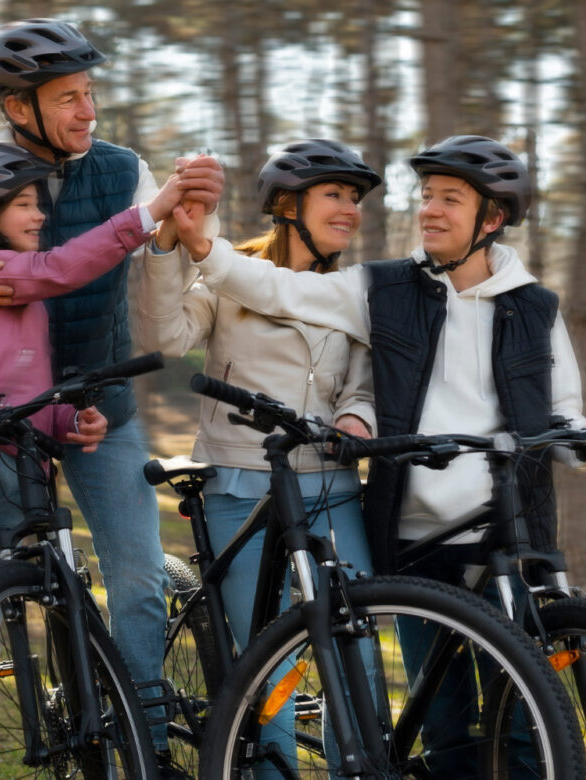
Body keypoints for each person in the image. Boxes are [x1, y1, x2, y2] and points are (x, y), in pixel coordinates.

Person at [170, 135, 586, 774]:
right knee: (444, 724)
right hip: (415, 540)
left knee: (527, 720)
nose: (429, 211)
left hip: (509, 530)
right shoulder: (384, 289)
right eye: (427, 197)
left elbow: (562, 416)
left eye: (450, 200)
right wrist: (203, 247)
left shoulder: (536, 308)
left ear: (492, 218)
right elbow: (279, 290)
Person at [0, 19, 223, 777]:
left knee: (138, 580)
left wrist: (174, 235)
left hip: (96, 414)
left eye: (89, 94)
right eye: (67, 97)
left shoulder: (124, 169)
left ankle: (142, 744)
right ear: (17, 107)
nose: (86, 111)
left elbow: (157, 299)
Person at [139, 139, 381, 776]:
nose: (350, 210)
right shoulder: (227, 273)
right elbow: (166, 335)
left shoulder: (352, 293)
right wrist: (167, 248)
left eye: (354, 199)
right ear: (286, 204)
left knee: (356, 643)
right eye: (336, 194)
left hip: (331, 485)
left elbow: (362, 383)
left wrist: (358, 416)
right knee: (266, 650)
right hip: (240, 483)